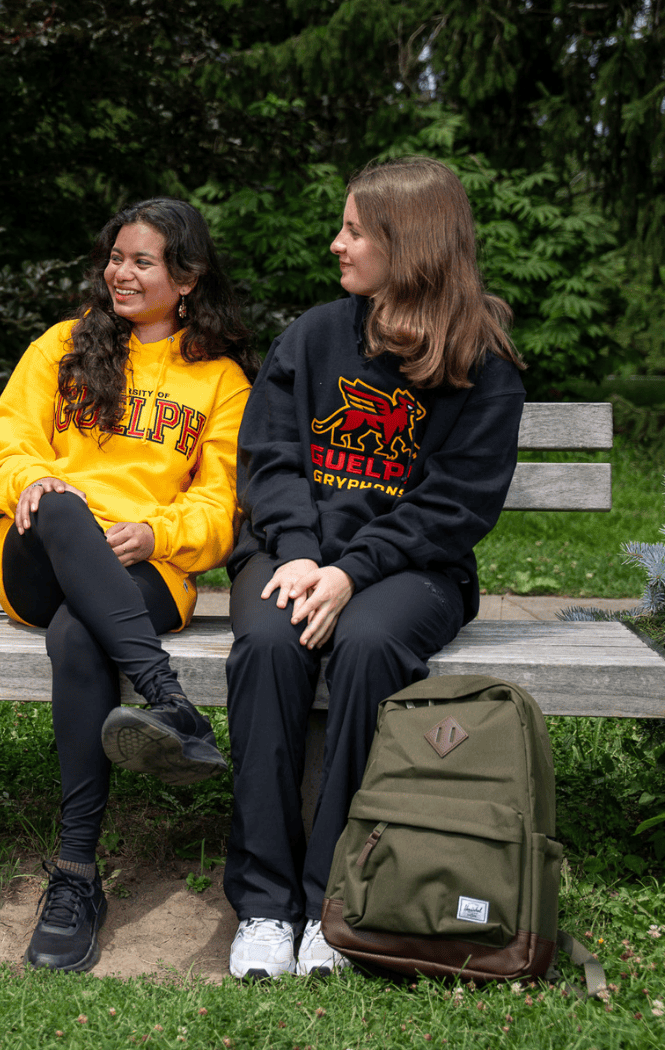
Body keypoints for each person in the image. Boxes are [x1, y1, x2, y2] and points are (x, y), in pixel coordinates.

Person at [223, 156, 527, 980]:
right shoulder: (317, 334)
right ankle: (262, 903)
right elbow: (270, 459)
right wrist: (301, 554)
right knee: (270, 646)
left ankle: (337, 900)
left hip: (411, 568)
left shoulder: (482, 358)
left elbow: (455, 505)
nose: (336, 244)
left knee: (365, 649)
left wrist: (353, 571)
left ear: (411, 241)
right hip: (293, 553)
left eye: (355, 230)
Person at [0, 198, 255, 972]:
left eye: (141, 261)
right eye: (115, 257)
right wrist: (33, 481)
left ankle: (75, 873)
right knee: (65, 507)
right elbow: (7, 449)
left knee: (78, 633)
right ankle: (168, 700)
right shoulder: (61, 348)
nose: (118, 273)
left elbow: (220, 504)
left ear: (187, 278)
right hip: (42, 548)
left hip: (145, 569)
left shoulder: (221, 380)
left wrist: (156, 533)